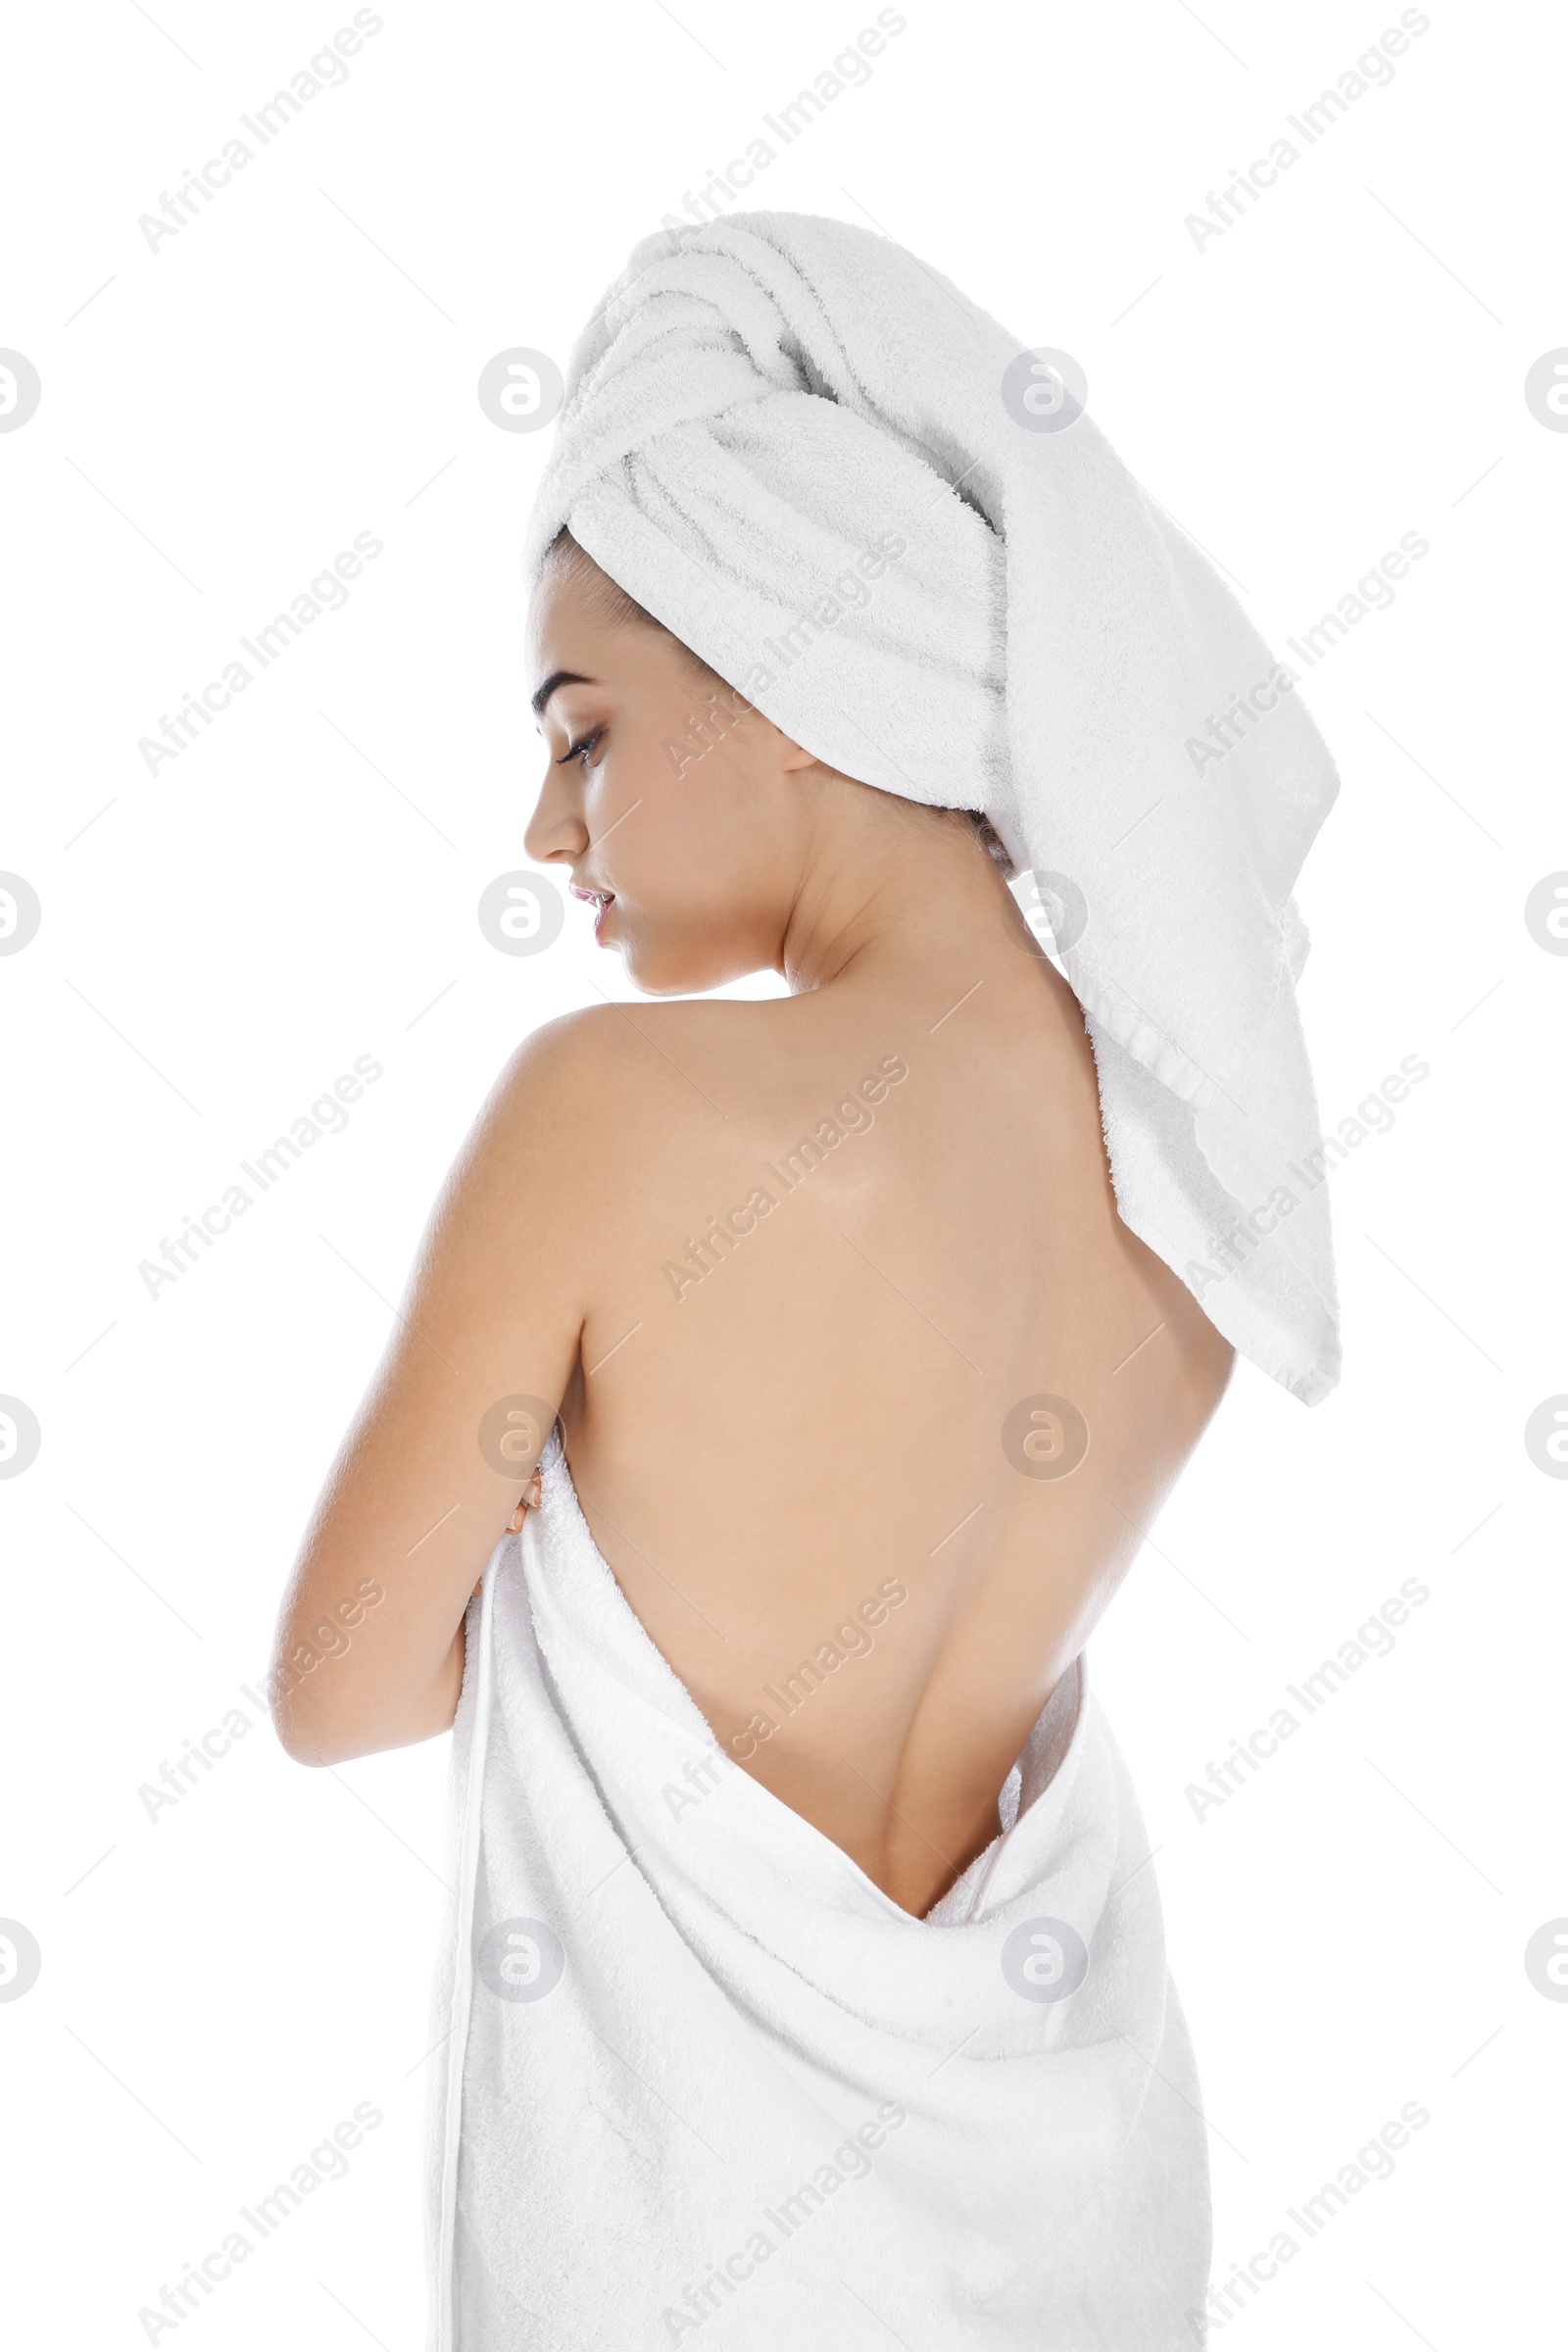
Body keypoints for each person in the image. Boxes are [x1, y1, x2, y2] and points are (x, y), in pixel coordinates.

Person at [270, 213, 1339, 2349]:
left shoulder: (616, 1114)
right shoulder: (1198, 1204)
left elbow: (343, 1689)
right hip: (1067, 2227)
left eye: (579, 732)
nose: (546, 831)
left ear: (786, 675)